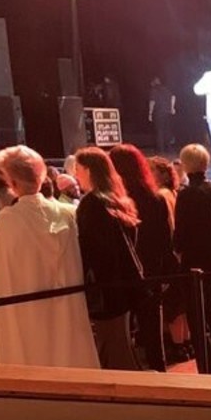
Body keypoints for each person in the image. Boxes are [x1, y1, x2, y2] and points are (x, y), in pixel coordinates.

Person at [0, 144, 99, 368]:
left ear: (13, 183)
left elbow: (4, 279)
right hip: (66, 311)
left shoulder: (7, 220)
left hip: (26, 314)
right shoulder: (68, 214)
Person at [73, 146, 144, 370]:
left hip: (105, 292)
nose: (75, 174)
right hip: (121, 288)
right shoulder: (116, 200)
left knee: (113, 351)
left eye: (78, 169)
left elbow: (91, 251)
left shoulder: (91, 204)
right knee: (120, 346)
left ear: (89, 170)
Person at [109, 143, 178, 371]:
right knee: (152, 332)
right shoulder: (155, 198)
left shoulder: (116, 201)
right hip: (151, 272)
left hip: (125, 274)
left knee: (124, 333)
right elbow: (165, 239)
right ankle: (159, 372)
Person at [174, 142, 211, 374]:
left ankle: (205, 370)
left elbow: (180, 234)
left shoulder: (186, 195)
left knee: (197, 320)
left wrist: (177, 249)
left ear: (186, 165)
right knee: (210, 317)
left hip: (193, 264)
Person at [148, 76, 176, 153]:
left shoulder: (154, 90)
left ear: (154, 82)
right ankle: (169, 148)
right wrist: (172, 108)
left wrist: (150, 113)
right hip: (167, 112)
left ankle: (161, 149)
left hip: (159, 112)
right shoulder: (166, 89)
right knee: (167, 130)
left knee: (159, 131)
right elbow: (173, 97)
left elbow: (152, 102)